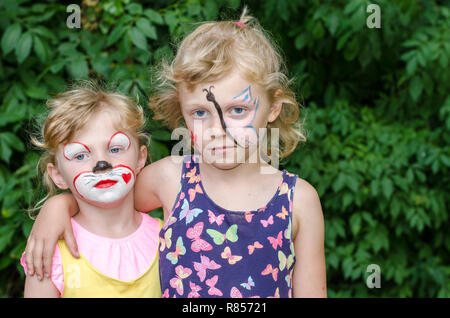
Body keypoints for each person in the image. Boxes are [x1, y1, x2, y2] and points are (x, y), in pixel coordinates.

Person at [24, 8, 326, 298]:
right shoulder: (170, 178)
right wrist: (56, 209)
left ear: (273, 106)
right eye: (200, 112)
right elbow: (104, 193)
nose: (218, 128)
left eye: (237, 110)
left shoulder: (299, 200)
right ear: (181, 113)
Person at [21, 83, 162, 297]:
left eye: (115, 149)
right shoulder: (51, 253)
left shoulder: (169, 236)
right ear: (58, 175)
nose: (101, 163)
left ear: (140, 158)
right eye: (80, 155)